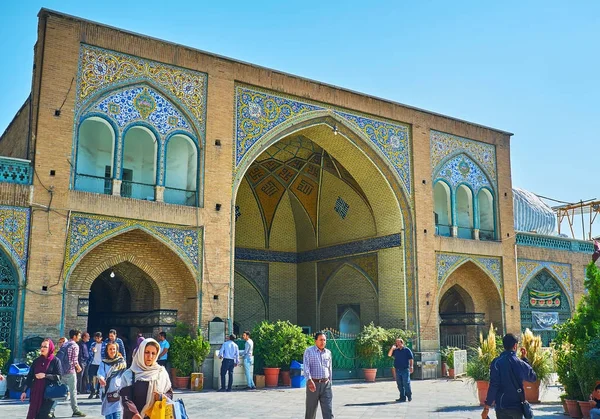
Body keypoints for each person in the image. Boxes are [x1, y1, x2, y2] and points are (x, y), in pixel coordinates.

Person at [482, 333, 537, 419]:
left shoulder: (496, 362)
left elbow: (493, 385)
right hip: (516, 407)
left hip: (501, 406)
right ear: (515, 346)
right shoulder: (520, 363)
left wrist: (486, 407)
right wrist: (524, 359)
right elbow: (533, 377)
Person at [119, 338, 173, 419]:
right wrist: (134, 414)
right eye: (146, 352)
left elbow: (169, 393)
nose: (150, 356)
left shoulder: (161, 372)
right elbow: (125, 398)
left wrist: (161, 397)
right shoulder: (129, 374)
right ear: (140, 352)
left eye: (153, 353)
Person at [21, 339, 62, 419]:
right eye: (42, 346)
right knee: (34, 414)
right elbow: (30, 377)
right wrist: (24, 391)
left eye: (45, 347)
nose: (42, 349)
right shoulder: (37, 361)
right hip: (36, 393)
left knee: (43, 415)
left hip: (48, 394)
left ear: (50, 348)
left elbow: (59, 377)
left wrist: (45, 375)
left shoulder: (55, 361)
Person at [303, 332, 333, 419]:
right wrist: (309, 380)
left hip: (326, 384)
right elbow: (306, 367)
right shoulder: (309, 351)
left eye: (324, 340)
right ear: (315, 341)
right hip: (313, 384)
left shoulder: (328, 353)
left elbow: (329, 368)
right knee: (311, 411)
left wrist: (330, 382)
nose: (322, 342)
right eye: (320, 340)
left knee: (328, 410)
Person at [97, 342, 126, 419]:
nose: (112, 351)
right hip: (107, 392)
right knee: (109, 416)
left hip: (117, 392)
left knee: (117, 415)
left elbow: (125, 376)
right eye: (110, 349)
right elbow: (100, 373)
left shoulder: (121, 363)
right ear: (107, 350)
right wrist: (101, 379)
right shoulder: (103, 362)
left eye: (114, 349)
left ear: (117, 350)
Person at [62, 329, 87, 417]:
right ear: (75, 336)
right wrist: (78, 367)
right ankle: (75, 410)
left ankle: (51, 410)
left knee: (59, 391)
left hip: (62, 371)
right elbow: (74, 360)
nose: (79, 337)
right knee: (73, 392)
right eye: (79, 336)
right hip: (71, 371)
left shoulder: (65, 344)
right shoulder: (75, 346)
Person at [387, 338, 414, 402]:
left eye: (398, 342)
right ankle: (402, 397)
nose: (397, 344)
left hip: (405, 369)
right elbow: (389, 355)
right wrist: (392, 348)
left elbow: (411, 359)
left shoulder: (407, 350)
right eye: (396, 343)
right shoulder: (396, 350)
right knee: (399, 384)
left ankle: (409, 396)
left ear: (402, 343)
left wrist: (411, 366)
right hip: (397, 369)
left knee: (406, 383)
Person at [89, 332, 104, 399]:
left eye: (99, 338)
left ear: (101, 338)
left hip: (100, 363)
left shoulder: (104, 345)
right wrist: (92, 351)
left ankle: (98, 392)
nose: (97, 339)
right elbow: (89, 353)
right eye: (96, 338)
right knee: (91, 377)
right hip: (93, 363)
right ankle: (92, 391)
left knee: (99, 378)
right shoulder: (93, 344)